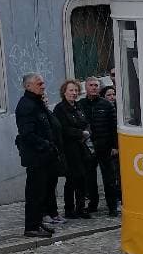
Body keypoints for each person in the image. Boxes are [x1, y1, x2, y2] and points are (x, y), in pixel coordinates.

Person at [14, 73, 57, 239]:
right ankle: (31, 226)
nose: (43, 86)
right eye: (39, 84)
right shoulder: (26, 105)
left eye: (43, 83)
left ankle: (37, 222)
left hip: (44, 156)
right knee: (34, 193)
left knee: (42, 192)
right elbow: (27, 133)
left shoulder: (36, 102)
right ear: (28, 86)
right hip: (36, 157)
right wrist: (45, 144)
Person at [53, 80, 94, 219]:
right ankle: (69, 209)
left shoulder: (78, 106)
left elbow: (86, 122)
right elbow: (62, 129)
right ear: (64, 92)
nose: (74, 93)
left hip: (82, 147)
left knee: (82, 178)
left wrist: (87, 131)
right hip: (69, 149)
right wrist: (80, 133)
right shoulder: (59, 109)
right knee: (72, 179)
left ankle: (81, 207)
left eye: (76, 90)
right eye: (71, 90)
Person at [81, 75, 119, 217]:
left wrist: (115, 146)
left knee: (109, 178)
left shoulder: (106, 105)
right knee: (90, 178)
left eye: (96, 85)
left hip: (105, 146)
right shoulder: (81, 105)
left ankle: (112, 206)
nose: (94, 88)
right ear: (86, 87)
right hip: (89, 147)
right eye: (91, 85)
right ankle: (93, 204)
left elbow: (113, 126)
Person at [43, 93, 66, 227]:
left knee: (52, 185)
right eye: (42, 98)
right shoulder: (40, 115)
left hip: (55, 153)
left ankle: (53, 212)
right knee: (45, 186)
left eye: (46, 98)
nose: (45, 100)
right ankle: (45, 213)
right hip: (47, 154)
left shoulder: (49, 113)